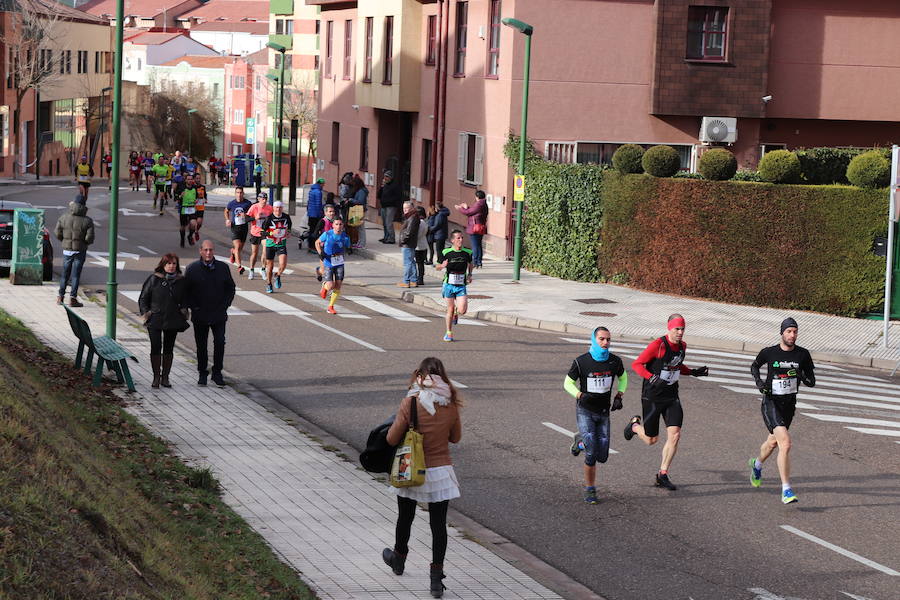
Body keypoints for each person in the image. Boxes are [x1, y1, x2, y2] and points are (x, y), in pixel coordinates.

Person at [382, 357, 462, 599]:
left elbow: (391, 439)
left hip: (411, 469)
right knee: (438, 526)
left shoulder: (412, 402)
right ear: (442, 376)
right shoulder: (450, 404)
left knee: (405, 517)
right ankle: (436, 580)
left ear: (420, 375)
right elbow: (455, 438)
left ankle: (398, 559)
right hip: (440, 472)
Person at [624, 314, 709, 491]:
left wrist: (693, 372)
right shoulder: (658, 345)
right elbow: (637, 364)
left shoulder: (682, 346)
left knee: (675, 434)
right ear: (669, 328)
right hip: (652, 396)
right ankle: (634, 427)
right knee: (651, 440)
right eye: (677, 329)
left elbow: (676, 366)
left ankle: (662, 474)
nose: (680, 332)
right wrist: (652, 377)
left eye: (682, 329)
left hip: (671, 396)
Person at [749, 318, 815, 504]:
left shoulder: (802, 355)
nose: (792, 335)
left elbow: (812, 382)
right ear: (782, 333)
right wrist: (759, 383)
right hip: (771, 402)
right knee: (785, 443)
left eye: (795, 331)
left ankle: (757, 464)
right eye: (789, 331)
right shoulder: (770, 353)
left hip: (789, 405)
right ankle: (786, 490)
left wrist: (800, 374)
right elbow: (754, 366)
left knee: (772, 443)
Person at [565, 327, 627, 504]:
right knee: (591, 453)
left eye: (608, 339)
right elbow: (567, 383)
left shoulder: (615, 361)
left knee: (603, 456)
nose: (605, 343)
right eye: (601, 339)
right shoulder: (581, 362)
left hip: (603, 412)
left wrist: (619, 395)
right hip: (585, 410)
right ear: (594, 340)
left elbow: (623, 378)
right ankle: (590, 489)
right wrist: (580, 395)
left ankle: (580, 442)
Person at [183, 240, 235, 387]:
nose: (208, 253)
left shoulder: (223, 268)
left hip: (218, 314)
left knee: (219, 342)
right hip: (200, 314)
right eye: (206, 250)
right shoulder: (192, 269)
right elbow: (186, 291)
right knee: (201, 345)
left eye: (211, 250)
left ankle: (217, 372)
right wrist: (193, 307)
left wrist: (225, 305)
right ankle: (202, 372)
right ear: (200, 251)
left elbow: (230, 288)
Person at [138, 253, 188, 388]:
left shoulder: (181, 281)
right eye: (168, 264)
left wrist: (183, 310)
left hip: (172, 319)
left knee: (169, 348)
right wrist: (146, 313)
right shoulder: (154, 279)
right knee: (155, 347)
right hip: (155, 319)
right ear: (163, 265)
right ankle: (156, 377)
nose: (171, 266)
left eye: (174, 264)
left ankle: (165, 377)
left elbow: (185, 298)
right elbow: (143, 298)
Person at [54, 195, 95, 307]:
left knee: (64, 274)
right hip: (80, 251)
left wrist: (64, 241)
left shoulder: (64, 217)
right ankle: (73, 299)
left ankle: (60, 297)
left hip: (67, 250)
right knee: (76, 275)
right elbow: (89, 238)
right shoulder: (88, 221)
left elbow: (57, 232)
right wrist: (84, 244)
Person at [434, 230, 472, 342]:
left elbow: (471, 264)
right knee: (449, 309)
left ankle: (457, 312)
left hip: (461, 285)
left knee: (463, 310)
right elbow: (437, 267)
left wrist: (470, 274)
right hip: (449, 284)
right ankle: (449, 333)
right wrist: (442, 265)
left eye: (462, 238)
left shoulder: (468, 252)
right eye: (458, 238)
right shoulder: (446, 252)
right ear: (452, 240)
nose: (461, 240)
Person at [315, 215, 350, 314]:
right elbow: (317, 242)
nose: (338, 226)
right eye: (336, 224)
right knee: (330, 285)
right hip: (328, 262)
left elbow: (347, 246)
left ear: (343, 226)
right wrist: (321, 253)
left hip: (339, 262)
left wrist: (349, 249)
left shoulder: (345, 237)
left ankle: (330, 306)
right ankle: (325, 286)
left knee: (338, 285)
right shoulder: (327, 234)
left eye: (340, 224)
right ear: (333, 226)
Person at [260, 201, 292, 294]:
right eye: (276, 207)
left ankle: (277, 275)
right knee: (270, 267)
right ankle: (269, 284)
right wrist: (271, 233)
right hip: (270, 244)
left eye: (280, 207)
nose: (278, 209)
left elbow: (289, 228)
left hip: (281, 244)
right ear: (273, 208)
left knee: (283, 264)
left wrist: (288, 233)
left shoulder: (286, 217)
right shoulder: (269, 218)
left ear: (282, 208)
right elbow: (262, 233)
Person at [455, 190, 488, 268]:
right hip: (480, 227)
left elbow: (469, 213)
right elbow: (473, 212)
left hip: (475, 228)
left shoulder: (479, 204)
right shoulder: (484, 204)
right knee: (478, 245)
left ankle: (475, 262)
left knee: (475, 245)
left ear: (477, 197)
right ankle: (479, 262)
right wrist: (467, 207)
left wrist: (460, 208)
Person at [225, 186, 253, 276]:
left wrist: (246, 215)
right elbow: (226, 211)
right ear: (235, 193)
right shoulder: (232, 203)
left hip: (244, 228)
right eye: (237, 192)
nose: (239, 194)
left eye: (240, 192)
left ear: (243, 193)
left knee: (239, 249)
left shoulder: (248, 203)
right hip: (234, 227)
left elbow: (252, 215)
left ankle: (233, 252)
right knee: (237, 248)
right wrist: (227, 219)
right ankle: (239, 266)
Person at [246, 192, 273, 280]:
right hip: (255, 232)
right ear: (259, 199)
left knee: (265, 250)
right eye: (262, 199)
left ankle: (263, 269)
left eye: (265, 199)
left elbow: (273, 219)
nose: (264, 201)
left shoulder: (269, 208)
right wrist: (254, 218)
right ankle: (251, 270)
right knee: (254, 253)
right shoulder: (254, 207)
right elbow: (246, 219)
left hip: (264, 233)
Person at [397, 201, 420, 288]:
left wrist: (403, 240)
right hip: (410, 243)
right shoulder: (412, 217)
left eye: (407, 208)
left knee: (408, 263)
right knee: (411, 262)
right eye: (404, 208)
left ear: (412, 208)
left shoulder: (412, 217)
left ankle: (406, 281)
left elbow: (409, 232)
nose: (405, 210)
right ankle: (414, 280)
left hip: (407, 243)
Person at [175, 172, 200, 247]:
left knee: (193, 224)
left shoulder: (195, 188)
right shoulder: (181, 188)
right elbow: (176, 198)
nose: (190, 181)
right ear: (185, 180)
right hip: (184, 209)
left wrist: (196, 200)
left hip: (192, 209)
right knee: (183, 226)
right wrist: (180, 196)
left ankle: (189, 236)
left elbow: (197, 197)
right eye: (188, 179)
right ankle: (182, 239)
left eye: (191, 179)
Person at [377, 170, 401, 244]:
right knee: (384, 222)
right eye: (384, 177)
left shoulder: (394, 185)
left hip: (391, 206)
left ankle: (391, 238)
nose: (385, 178)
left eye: (387, 177)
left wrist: (389, 201)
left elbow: (397, 197)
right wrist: (381, 187)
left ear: (390, 178)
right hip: (383, 206)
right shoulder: (385, 185)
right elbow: (378, 195)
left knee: (388, 222)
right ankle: (386, 237)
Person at [426, 199, 449, 265]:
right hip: (442, 234)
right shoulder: (443, 213)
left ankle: (440, 262)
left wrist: (429, 229)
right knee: (441, 249)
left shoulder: (440, 215)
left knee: (439, 249)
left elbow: (437, 225)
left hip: (439, 234)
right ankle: (441, 261)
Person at [350, 173, 368, 249]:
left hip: (360, 210)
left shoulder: (361, 191)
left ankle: (362, 243)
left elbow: (360, 201)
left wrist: (352, 200)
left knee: (361, 228)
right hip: (358, 210)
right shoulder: (360, 190)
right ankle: (359, 242)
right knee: (358, 227)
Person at [306, 178, 324, 252]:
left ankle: (309, 245)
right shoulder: (318, 192)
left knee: (311, 230)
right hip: (316, 214)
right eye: (323, 184)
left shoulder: (311, 190)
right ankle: (314, 246)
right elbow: (318, 204)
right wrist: (321, 213)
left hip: (310, 214)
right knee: (315, 230)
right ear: (321, 184)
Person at [415, 205, 428, 286]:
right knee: (421, 263)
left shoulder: (420, 223)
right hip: (424, 245)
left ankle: (419, 279)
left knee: (419, 263)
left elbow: (418, 234)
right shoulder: (425, 222)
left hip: (418, 246)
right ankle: (420, 278)